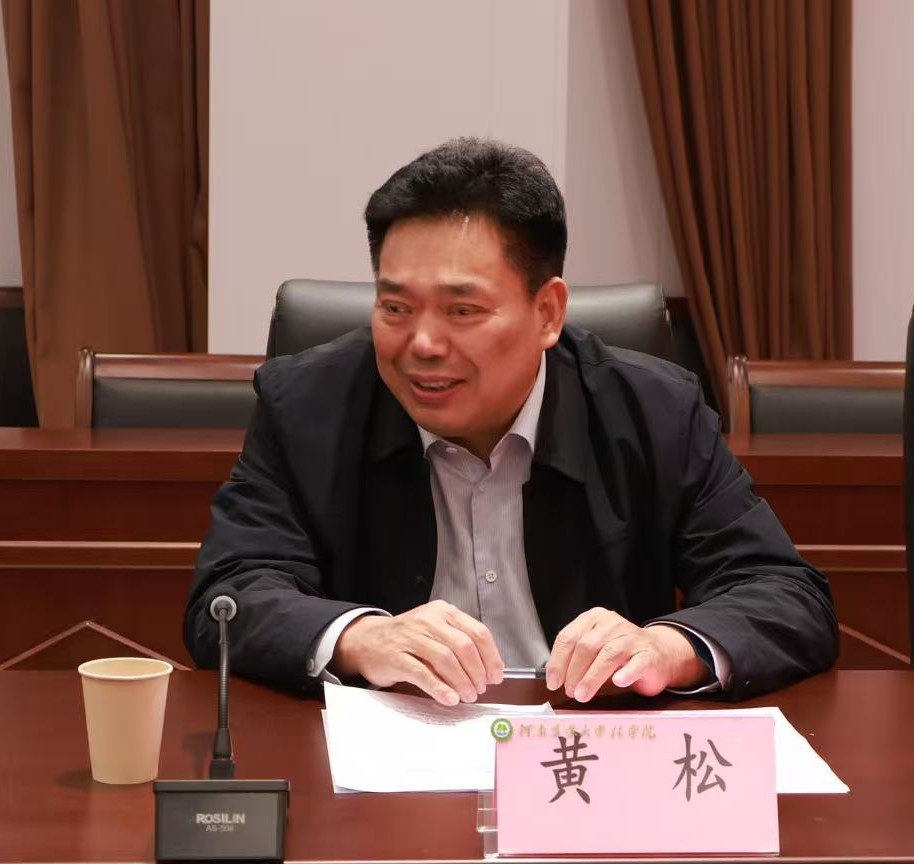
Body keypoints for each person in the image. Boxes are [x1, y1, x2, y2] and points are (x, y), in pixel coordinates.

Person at [185, 137, 838, 705]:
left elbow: (784, 593)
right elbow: (230, 594)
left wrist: (669, 648)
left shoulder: (655, 411)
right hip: (383, 759)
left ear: (548, 312)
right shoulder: (306, 405)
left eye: (462, 311)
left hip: (581, 755)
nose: (422, 344)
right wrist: (361, 637)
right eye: (396, 308)